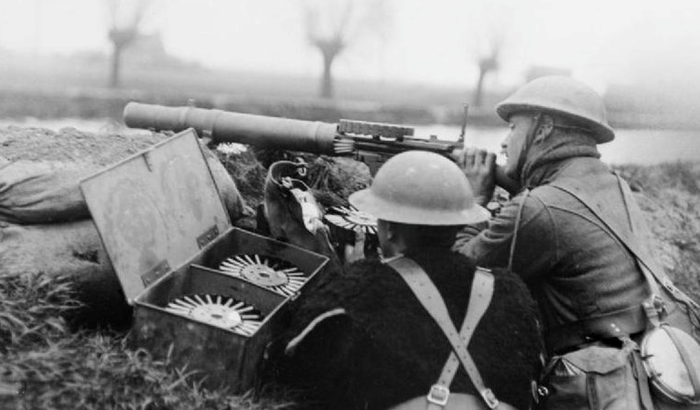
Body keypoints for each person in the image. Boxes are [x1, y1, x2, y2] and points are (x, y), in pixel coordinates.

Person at [266, 151, 543, 410]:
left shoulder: (353, 292)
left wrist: (353, 276)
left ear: (389, 230)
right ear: (460, 224)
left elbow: (287, 366)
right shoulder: (512, 292)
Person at [453, 76, 666, 409]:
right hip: (646, 366)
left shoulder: (542, 208)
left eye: (513, 127)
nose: (505, 143)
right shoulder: (612, 184)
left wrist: (475, 198)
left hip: (597, 389)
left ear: (543, 129)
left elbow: (457, 271)